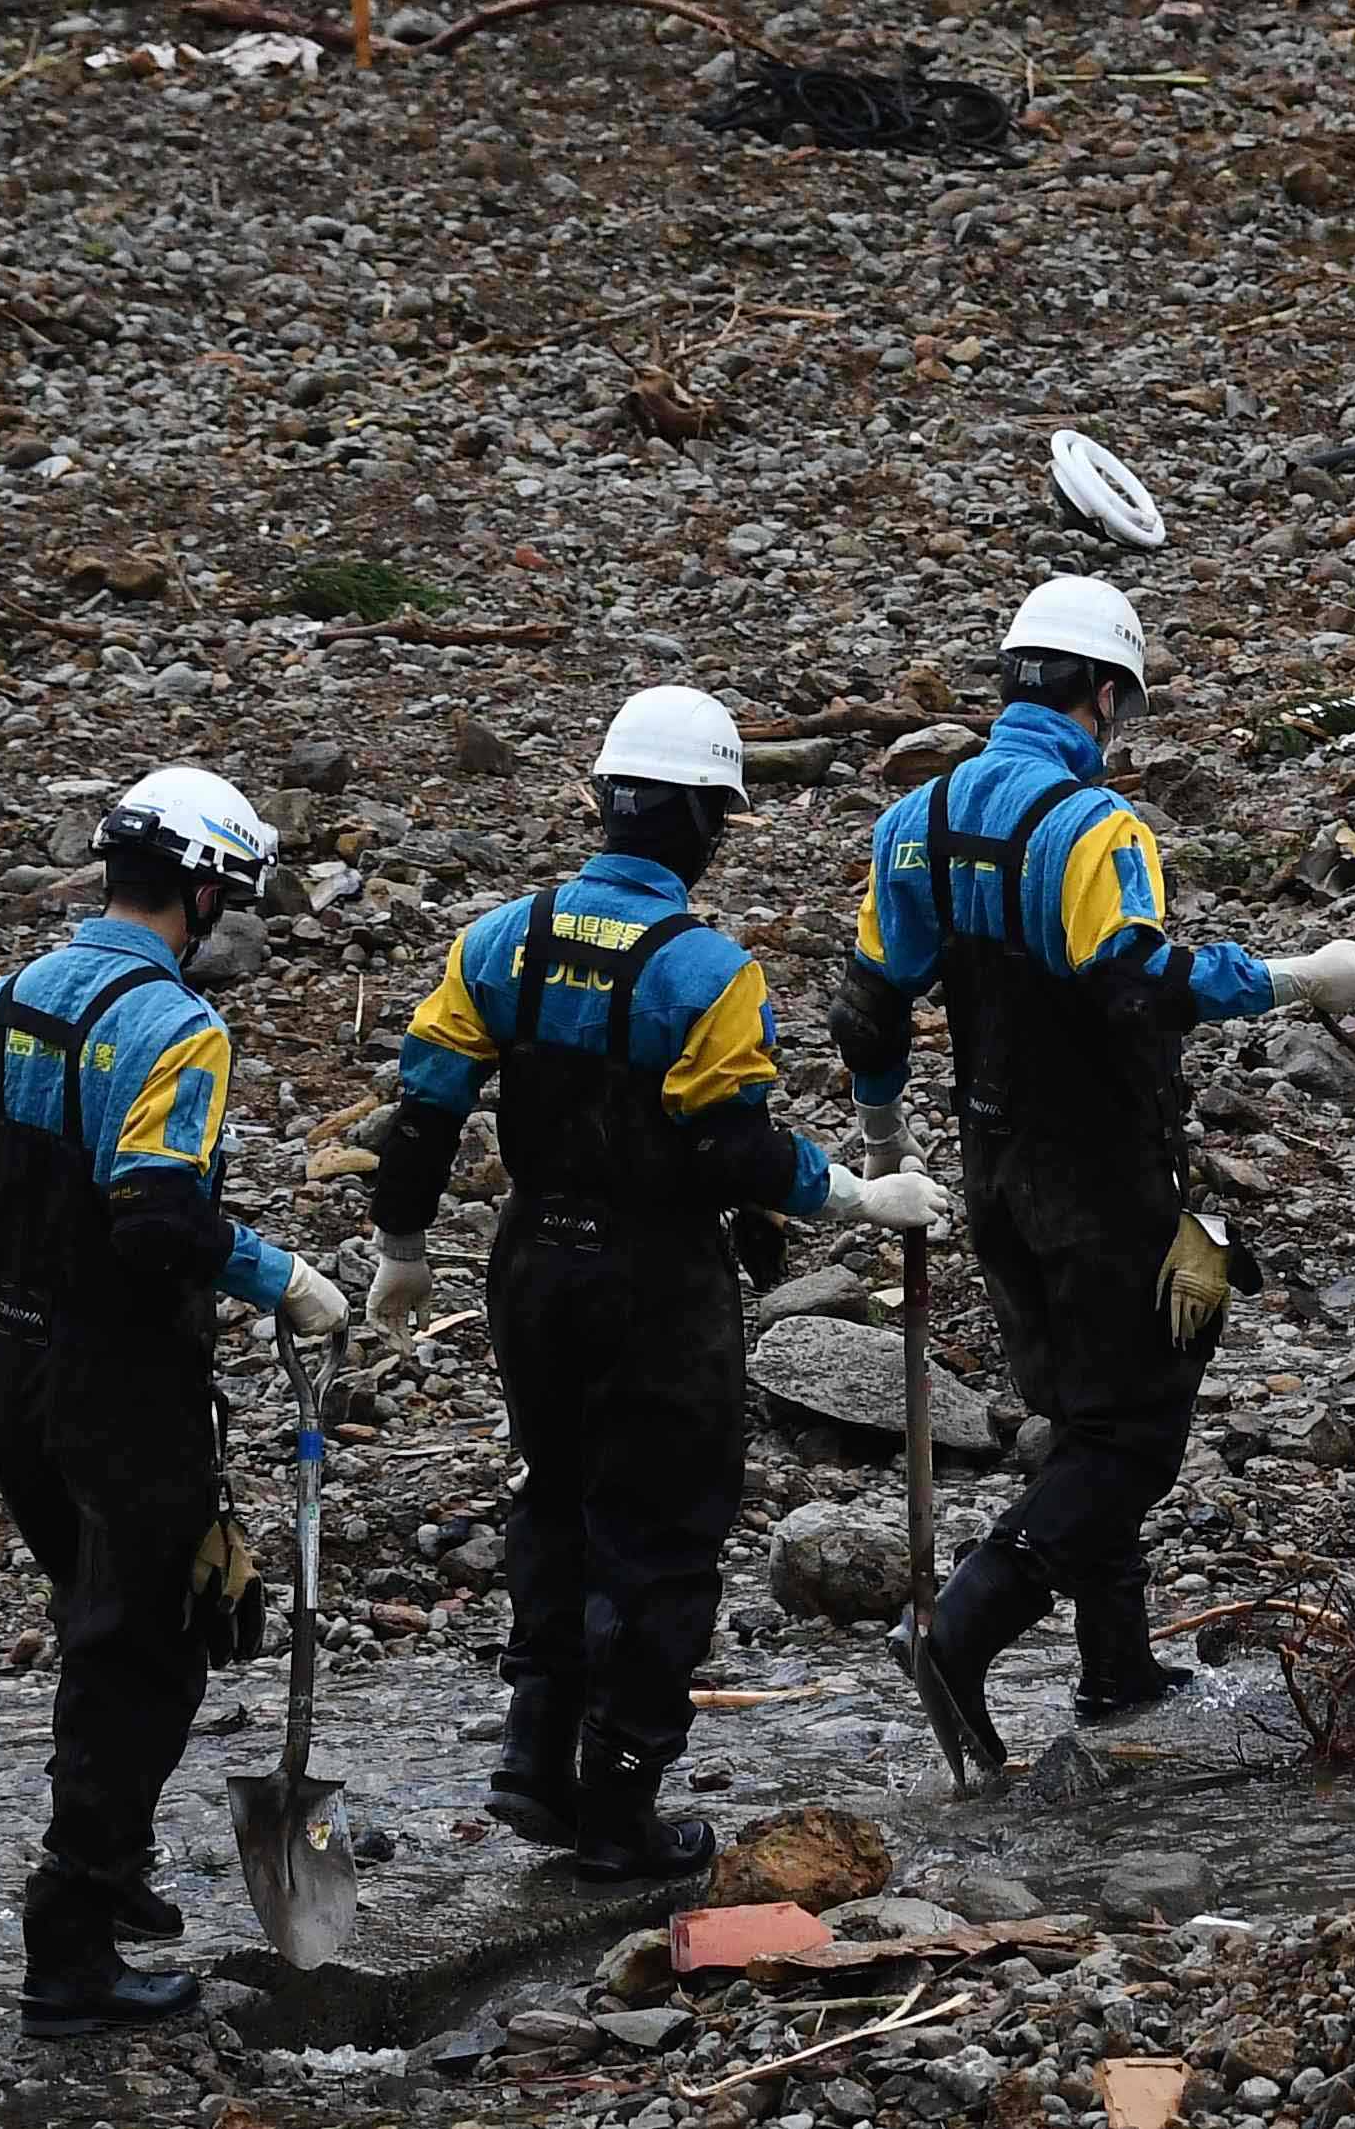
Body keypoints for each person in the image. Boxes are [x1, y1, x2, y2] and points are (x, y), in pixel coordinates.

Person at [360, 686, 940, 1873]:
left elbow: (420, 1113)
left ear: (605, 801)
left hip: (532, 1270)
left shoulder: (496, 940)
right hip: (653, 1283)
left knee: (556, 1497)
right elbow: (736, 1150)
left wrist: (404, 1249)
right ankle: (620, 1800)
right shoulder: (709, 974)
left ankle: (534, 1757)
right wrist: (858, 1195)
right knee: (665, 1533)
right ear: (702, 823)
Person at [837, 577, 1355, 1778]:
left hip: (993, 1170)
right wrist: (1304, 975)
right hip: (1097, 1176)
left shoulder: (917, 823)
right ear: (1101, 696)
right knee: (1130, 1439)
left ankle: (1118, 1671)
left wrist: (883, 1147)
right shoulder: (1096, 833)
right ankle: (960, 1630)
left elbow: (871, 1001)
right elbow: (1137, 981)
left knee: (1086, 1415)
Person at [0, 765, 349, 2036]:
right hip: (122, 1382)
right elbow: (155, 1217)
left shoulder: (4, 1003)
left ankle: (112, 1873)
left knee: (111, 1623)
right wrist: (280, 1274)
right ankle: (72, 1941)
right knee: (137, 1654)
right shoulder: (177, 1029)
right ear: (202, 891)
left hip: (13, 1374)